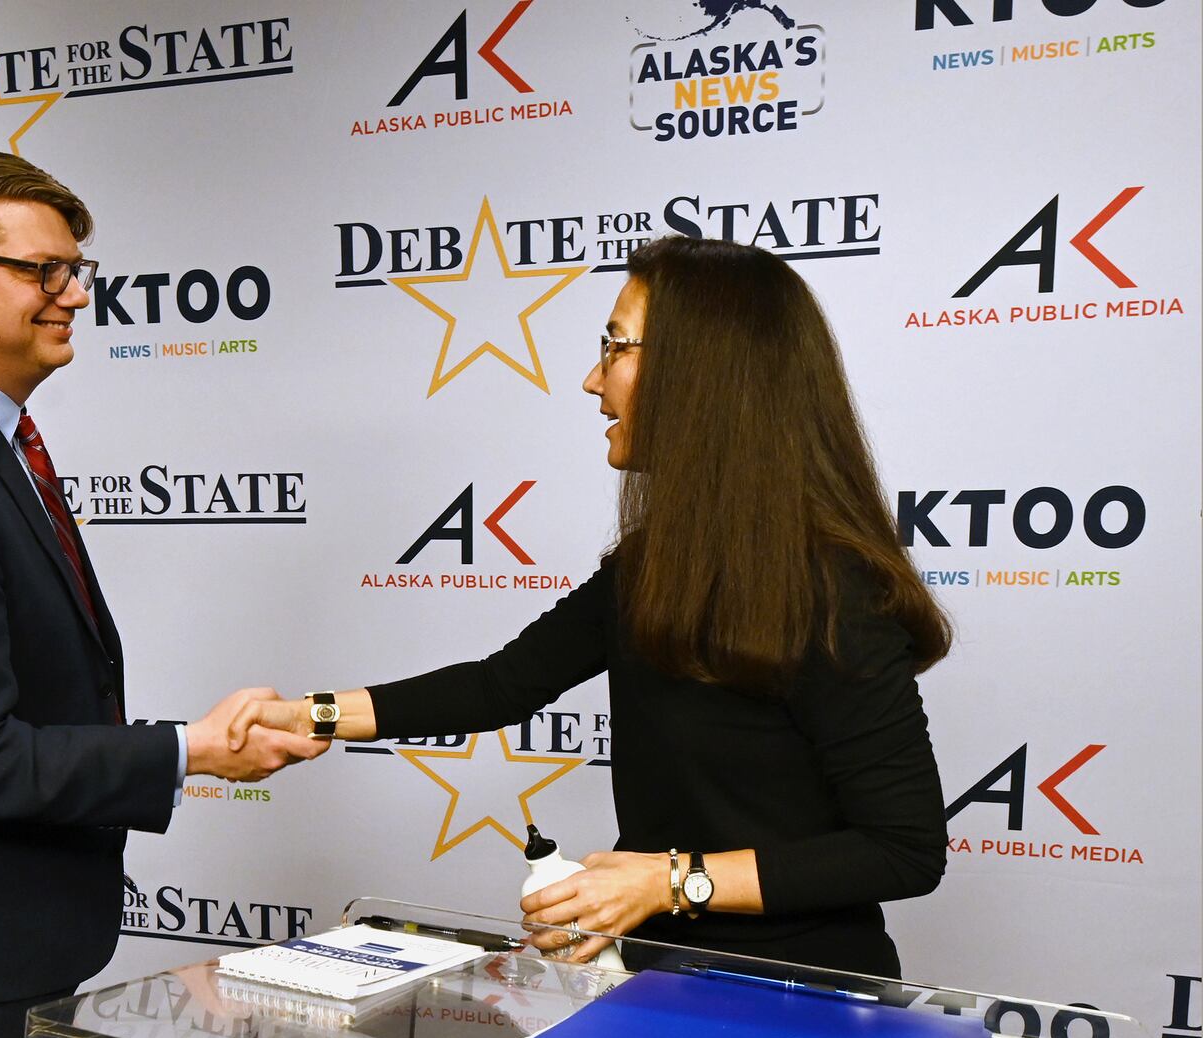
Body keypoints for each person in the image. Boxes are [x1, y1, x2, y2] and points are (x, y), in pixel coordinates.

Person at [228, 236, 951, 979]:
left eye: (615, 346)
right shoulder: (653, 566)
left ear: (704, 370)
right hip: (665, 981)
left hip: (808, 1004)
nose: (589, 380)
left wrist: (669, 879)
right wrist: (305, 715)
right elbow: (498, 686)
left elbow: (903, 848)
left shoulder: (837, 589)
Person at [0, 148, 323, 1038]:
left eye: (76, 269)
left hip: (1, 922)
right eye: (42, 270)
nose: (74, 294)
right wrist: (192, 749)